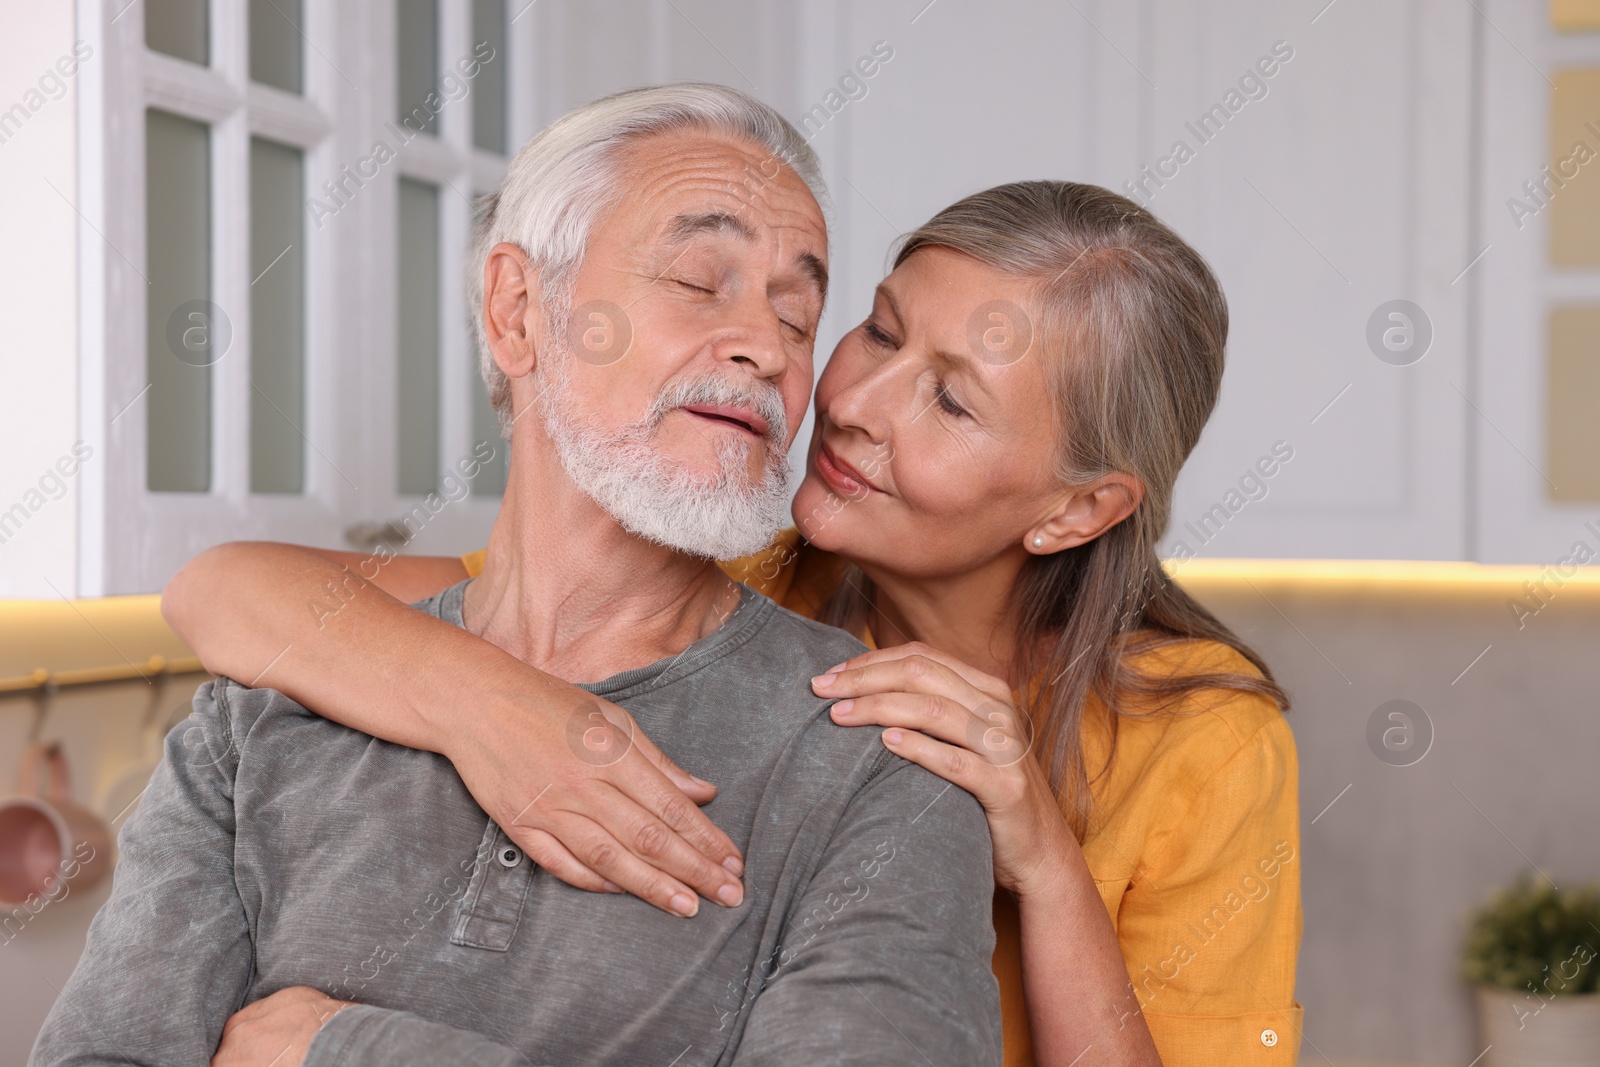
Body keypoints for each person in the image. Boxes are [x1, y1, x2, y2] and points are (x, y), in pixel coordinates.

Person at [166, 176, 1304, 1062]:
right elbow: (224, 591)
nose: (850, 403)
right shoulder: (732, 576)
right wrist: (501, 710)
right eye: (878, 330)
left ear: (1078, 507)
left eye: (950, 399)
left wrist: (1049, 867)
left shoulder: (1206, 741)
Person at [31, 84, 1004, 1067]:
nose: (766, 348)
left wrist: (338, 1047)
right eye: (701, 279)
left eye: (797, 316)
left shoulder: (882, 768)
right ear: (518, 311)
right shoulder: (257, 720)